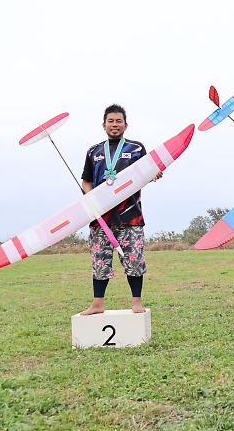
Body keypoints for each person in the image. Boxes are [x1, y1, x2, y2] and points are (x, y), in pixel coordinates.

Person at [80, 104, 162, 315]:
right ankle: (97, 304)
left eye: (119, 121)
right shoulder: (94, 151)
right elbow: (86, 180)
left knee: (134, 260)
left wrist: (153, 175)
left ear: (126, 125)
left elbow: (148, 172)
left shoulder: (136, 148)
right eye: (111, 121)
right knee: (100, 262)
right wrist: (91, 199)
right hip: (100, 219)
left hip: (131, 216)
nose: (114, 125)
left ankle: (137, 302)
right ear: (103, 125)